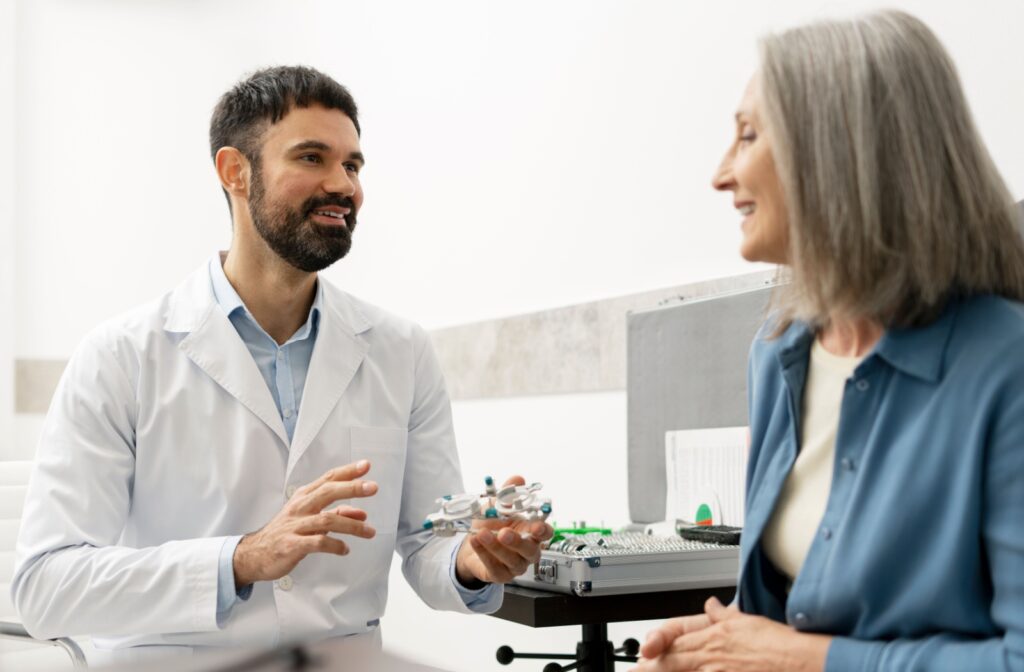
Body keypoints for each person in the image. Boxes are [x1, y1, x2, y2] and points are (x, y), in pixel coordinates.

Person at [12, 65, 552, 661]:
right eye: (312, 158)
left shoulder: (402, 350)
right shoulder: (120, 357)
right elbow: (45, 586)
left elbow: (429, 544)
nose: (343, 184)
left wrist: (472, 561)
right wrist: (242, 558)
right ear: (235, 172)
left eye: (352, 165)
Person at [636, 10, 1024, 672]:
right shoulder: (777, 351)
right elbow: (783, 617)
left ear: (838, 152)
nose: (720, 175)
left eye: (748, 136)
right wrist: (717, 651)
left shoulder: (1006, 368)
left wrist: (806, 659)